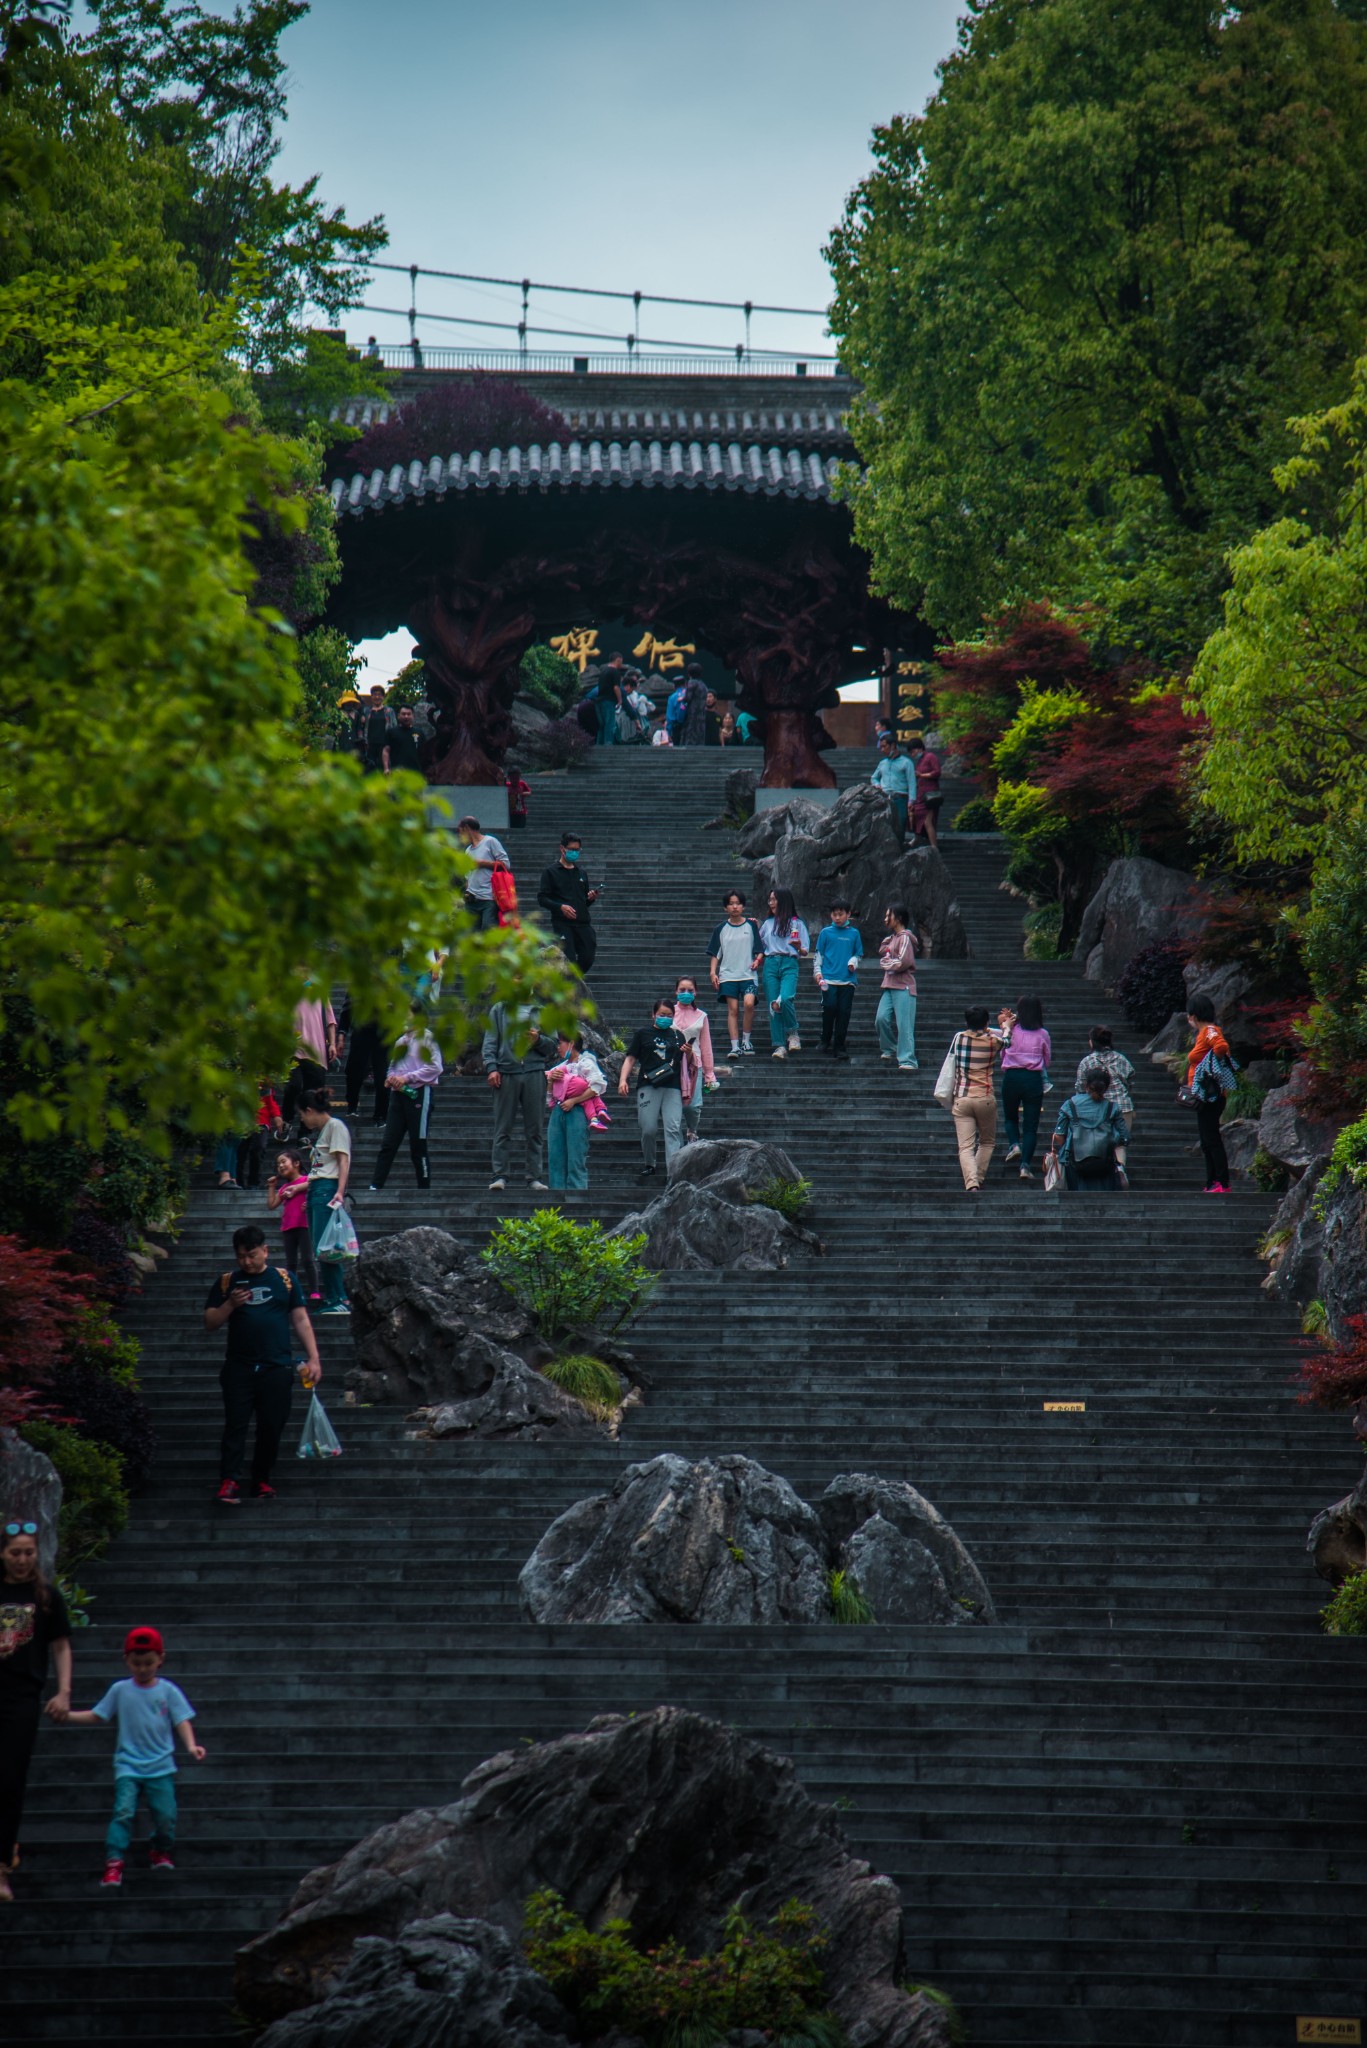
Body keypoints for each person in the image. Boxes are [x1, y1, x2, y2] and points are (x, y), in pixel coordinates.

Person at [62, 1625, 204, 1889]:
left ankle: (160, 1848)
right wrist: (67, 1715)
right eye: (137, 1663)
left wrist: (191, 1745)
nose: (143, 1668)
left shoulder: (168, 1691)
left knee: (165, 1815)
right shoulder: (120, 1690)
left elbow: (182, 1719)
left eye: (149, 1662)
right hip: (128, 1764)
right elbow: (97, 1714)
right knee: (123, 1812)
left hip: (160, 1765)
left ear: (161, 1659)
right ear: (126, 1660)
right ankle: (114, 1861)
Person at [203, 1222, 322, 1503]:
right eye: (241, 1256)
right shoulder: (227, 1282)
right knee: (236, 1424)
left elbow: (300, 1318)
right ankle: (229, 1479)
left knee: (272, 1425)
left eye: (252, 1254)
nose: (246, 1261)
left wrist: (314, 1357)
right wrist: (230, 1304)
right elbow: (210, 1322)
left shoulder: (285, 1279)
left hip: (277, 1367)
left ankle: (261, 1479)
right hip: (239, 1367)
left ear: (265, 1251)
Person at [0, 1520, 73, 1903]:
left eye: (29, 1552)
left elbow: (60, 1645)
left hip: (22, 1698)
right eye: (16, 1552)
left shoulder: (46, 1595)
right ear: (2, 1554)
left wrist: (63, 1691)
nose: (23, 1560)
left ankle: (1, 1868)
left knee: (10, 1780)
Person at [482, 1000, 558, 1192]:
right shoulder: (499, 1009)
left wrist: (538, 1040)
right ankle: (500, 1175)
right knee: (502, 1127)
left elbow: (553, 1047)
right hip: (507, 1072)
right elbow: (490, 1041)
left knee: (534, 1129)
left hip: (534, 1071)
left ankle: (534, 1177)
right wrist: (491, 1067)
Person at [619, 997, 694, 1180]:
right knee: (648, 1128)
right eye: (662, 1014)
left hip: (672, 1086)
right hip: (648, 1084)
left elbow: (686, 1063)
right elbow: (630, 1058)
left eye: (669, 1015)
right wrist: (623, 1080)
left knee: (673, 1127)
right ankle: (650, 1162)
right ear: (654, 1015)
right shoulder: (643, 1034)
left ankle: (673, 1169)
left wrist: (689, 1053)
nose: (665, 1018)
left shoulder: (678, 1036)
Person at [368, 1019, 443, 1192]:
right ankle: (376, 1184)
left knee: (418, 1144)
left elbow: (436, 1066)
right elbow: (392, 1067)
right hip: (398, 1095)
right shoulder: (400, 1042)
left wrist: (408, 1078)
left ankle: (424, 1186)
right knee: (388, 1143)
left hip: (419, 1093)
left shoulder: (428, 1038)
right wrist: (391, 1078)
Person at [298, 1092, 351, 1314]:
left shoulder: (335, 1126)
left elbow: (343, 1159)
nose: (302, 1120)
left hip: (326, 1190)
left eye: (302, 1115)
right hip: (317, 1190)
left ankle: (337, 1298)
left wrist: (340, 1192)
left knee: (327, 1248)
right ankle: (336, 1297)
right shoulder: (324, 1132)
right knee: (323, 1246)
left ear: (309, 1110)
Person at [947, 1005, 1006, 1194]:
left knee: (965, 1147)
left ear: (966, 1023)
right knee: (987, 1142)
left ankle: (971, 1183)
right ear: (987, 1023)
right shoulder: (993, 1042)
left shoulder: (959, 1039)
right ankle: (978, 1178)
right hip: (985, 1098)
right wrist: (1006, 1025)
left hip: (962, 1098)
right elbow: (1008, 1041)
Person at [1186, 996, 1238, 1193]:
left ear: (1194, 1015)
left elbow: (1221, 1047)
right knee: (1206, 1140)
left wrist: (1209, 1069)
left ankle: (1222, 1182)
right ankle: (1212, 1182)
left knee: (1211, 1138)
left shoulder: (1209, 1030)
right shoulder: (1203, 1033)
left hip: (1211, 1096)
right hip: (1203, 1096)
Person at [1049, 1065, 1130, 1192]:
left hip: (1075, 1163)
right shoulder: (1113, 1108)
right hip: (1105, 1163)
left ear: (1086, 1085)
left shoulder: (1070, 1105)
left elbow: (1059, 1135)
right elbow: (1124, 1137)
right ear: (1107, 1087)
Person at [545, 1032, 608, 1192]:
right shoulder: (560, 1066)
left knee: (575, 1157)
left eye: (561, 1043)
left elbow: (597, 1087)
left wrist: (574, 1100)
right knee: (555, 1157)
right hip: (558, 1111)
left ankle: (577, 1196)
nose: (558, 1047)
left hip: (578, 1111)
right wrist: (551, 1081)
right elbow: (549, 1099)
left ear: (571, 1044)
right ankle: (556, 1195)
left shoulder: (586, 1063)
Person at [1000, 996, 1052, 1181]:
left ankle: (1014, 1144)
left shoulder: (1011, 1030)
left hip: (1012, 1076)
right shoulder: (1043, 1034)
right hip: (1033, 1079)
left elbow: (1002, 1052)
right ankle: (1025, 1166)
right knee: (1031, 1126)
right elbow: (1047, 1060)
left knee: (1010, 1116)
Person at [708, 891, 763, 1056]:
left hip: (748, 975)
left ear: (743, 906)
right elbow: (715, 954)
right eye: (731, 903)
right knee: (732, 1009)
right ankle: (735, 1046)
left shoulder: (751, 925)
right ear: (726, 907)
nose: (735, 906)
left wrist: (757, 960)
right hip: (728, 975)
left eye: (738, 903)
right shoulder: (721, 929)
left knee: (748, 1004)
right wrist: (713, 973)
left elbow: (760, 949)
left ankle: (746, 1041)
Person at [1078, 1026, 1135, 1182]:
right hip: (1123, 1105)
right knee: (1120, 1143)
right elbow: (1130, 1078)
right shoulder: (1121, 1058)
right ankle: (1120, 1167)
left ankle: (1101, 1174)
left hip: (1097, 1107)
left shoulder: (1087, 1062)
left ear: (1092, 1042)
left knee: (1099, 1142)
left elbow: (1080, 1086)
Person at [759, 887, 810, 1060]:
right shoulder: (767, 923)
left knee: (786, 998)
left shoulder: (797, 923)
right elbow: (760, 945)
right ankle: (779, 1045)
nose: (771, 903)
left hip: (789, 962)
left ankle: (793, 1032)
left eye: (774, 899)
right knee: (774, 1005)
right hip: (771, 963)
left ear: (783, 901)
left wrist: (798, 947)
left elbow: (805, 951)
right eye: (770, 900)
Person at [537, 832, 598, 973]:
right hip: (563, 923)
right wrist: (560, 907)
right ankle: (571, 986)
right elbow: (542, 898)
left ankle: (573, 982)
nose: (574, 853)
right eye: (571, 850)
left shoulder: (581, 873)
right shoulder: (550, 872)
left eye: (577, 850)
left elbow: (584, 902)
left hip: (583, 923)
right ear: (562, 848)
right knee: (568, 959)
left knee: (588, 957)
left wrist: (590, 898)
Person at [265, 1146, 320, 1302]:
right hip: (288, 1227)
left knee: (308, 1260)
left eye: (283, 1162)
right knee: (291, 1263)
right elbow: (272, 1205)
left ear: (296, 1163)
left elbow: (314, 1185)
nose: (280, 1166)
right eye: (278, 1164)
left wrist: (305, 1199)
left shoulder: (306, 1180)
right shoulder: (284, 1188)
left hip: (304, 1225)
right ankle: (294, 1292)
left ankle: (314, 1291)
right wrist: (271, 1187)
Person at [813, 901, 863, 1059]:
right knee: (828, 1009)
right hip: (828, 979)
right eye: (834, 914)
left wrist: (853, 962)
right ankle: (825, 1040)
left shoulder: (854, 934)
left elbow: (858, 954)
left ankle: (840, 1046)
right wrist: (817, 972)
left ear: (848, 914)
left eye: (841, 914)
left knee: (844, 1013)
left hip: (847, 981)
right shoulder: (826, 932)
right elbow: (818, 955)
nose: (837, 917)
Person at [671, 974, 718, 1141]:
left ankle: (692, 1130)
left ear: (696, 992)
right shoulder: (667, 1013)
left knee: (692, 1106)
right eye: (682, 990)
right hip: (672, 1064)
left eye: (690, 990)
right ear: (676, 991)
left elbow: (706, 1047)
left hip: (694, 1065)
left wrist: (709, 1074)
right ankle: (674, 1136)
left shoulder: (701, 1016)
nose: (686, 993)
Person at [283, 985, 337, 1126]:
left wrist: (332, 1044)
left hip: (316, 1051)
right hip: (292, 1050)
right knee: (293, 1085)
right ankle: (287, 1119)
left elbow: (331, 1021)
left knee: (313, 1095)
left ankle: (304, 1133)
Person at [876, 905, 919, 1071]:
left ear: (899, 918)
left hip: (904, 986)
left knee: (904, 1025)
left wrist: (887, 964)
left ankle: (908, 1060)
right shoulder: (893, 938)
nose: (886, 919)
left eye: (889, 916)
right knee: (881, 1018)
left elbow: (903, 961)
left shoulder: (905, 937)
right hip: (889, 984)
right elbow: (883, 951)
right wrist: (888, 961)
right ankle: (890, 1047)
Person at [457, 815, 509, 931]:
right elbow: (467, 877)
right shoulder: (468, 850)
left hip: (489, 898)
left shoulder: (490, 842)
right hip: (472, 900)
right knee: (472, 936)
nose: (460, 836)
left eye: (461, 832)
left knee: (488, 930)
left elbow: (506, 865)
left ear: (467, 828)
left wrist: (482, 863)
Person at [871, 734, 916, 845]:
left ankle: (898, 850)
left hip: (900, 798)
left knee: (900, 825)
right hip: (885, 798)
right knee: (884, 825)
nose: (882, 750)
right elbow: (874, 777)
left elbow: (912, 782)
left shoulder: (906, 762)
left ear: (893, 745)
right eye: (880, 747)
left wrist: (911, 801)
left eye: (884, 746)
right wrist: (877, 785)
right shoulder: (883, 763)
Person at [907, 734, 943, 849]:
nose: (913, 755)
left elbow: (937, 772)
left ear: (919, 748)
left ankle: (934, 846)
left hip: (930, 795)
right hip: (921, 795)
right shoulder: (920, 760)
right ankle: (918, 839)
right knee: (918, 818)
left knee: (928, 821)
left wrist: (922, 775)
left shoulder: (930, 756)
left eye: (913, 752)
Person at [382, 703, 425, 777]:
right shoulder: (391, 732)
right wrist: (386, 768)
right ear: (398, 716)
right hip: (397, 772)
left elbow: (424, 753)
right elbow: (386, 750)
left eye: (409, 714)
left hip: (416, 773)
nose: (406, 716)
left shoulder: (419, 733)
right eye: (403, 714)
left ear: (413, 716)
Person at [359, 684, 394, 773]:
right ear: (371, 697)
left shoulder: (389, 711)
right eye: (374, 694)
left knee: (384, 769)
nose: (377, 697)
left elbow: (394, 726)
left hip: (384, 744)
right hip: (370, 744)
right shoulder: (366, 711)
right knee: (370, 769)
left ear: (383, 697)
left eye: (379, 694)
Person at [680, 662, 709, 747]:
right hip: (702, 715)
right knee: (699, 737)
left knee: (690, 737)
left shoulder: (692, 683)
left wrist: (681, 706)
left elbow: (687, 699)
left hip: (692, 715)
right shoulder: (703, 685)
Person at [665, 681, 686, 745]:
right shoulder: (690, 694)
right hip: (691, 726)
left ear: (674, 686)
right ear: (685, 684)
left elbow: (670, 717)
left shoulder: (672, 697)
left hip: (677, 727)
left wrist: (669, 732)